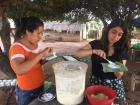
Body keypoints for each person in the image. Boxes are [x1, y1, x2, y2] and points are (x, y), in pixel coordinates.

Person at [75, 19, 129, 104]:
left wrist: (118, 71)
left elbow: (119, 75)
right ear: (108, 30)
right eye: (113, 32)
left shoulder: (122, 49)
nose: (115, 37)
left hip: (114, 85)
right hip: (95, 83)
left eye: (120, 34)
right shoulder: (96, 44)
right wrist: (94, 51)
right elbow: (78, 53)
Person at [9, 16, 53, 105]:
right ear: (28, 32)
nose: (41, 36)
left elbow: (35, 63)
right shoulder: (17, 47)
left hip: (40, 86)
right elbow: (19, 70)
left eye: (42, 33)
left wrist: (46, 58)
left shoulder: (35, 45)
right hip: (27, 92)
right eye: (38, 33)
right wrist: (41, 54)